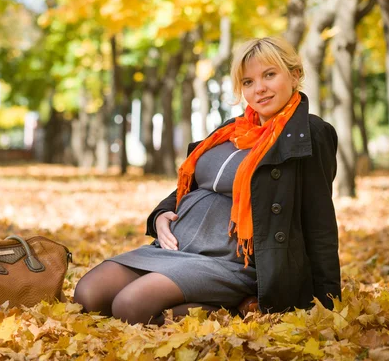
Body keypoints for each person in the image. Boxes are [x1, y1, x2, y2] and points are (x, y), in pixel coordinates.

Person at [73, 36, 341, 325]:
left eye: (269, 75)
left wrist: (327, 307)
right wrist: (161, 215)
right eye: (248, 82)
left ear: (295, 75)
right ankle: (228, 304)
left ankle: (239, 307)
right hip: (180, 247)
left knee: (130, 306)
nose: (259, 88)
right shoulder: (231, 130)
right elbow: (192, 184)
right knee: (88, 294)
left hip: (233, 261)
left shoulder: (308, 133)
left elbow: (320, 221)